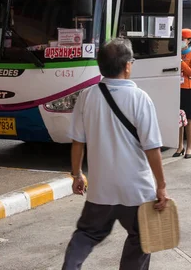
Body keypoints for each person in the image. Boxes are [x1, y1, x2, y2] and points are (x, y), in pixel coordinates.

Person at [62, 38, 169, 270]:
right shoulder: (140, 98)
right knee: (142, 237)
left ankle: (71, 266)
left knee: (87, 233)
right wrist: (161, 185)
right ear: (127, 65)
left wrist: (77, 174)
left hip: (101, 191)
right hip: (136, 192)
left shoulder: (87, 96)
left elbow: (77, 142)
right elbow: (152, 148)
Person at [175, 29, 191, 159]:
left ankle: (189, 147)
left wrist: (180, 61)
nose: (181, 42)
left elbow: (190, 72)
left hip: (188, 89)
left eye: (183, 39)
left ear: (189, 40)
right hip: (177, 88)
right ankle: (180, 146)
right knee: (179, 118)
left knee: (189, 119)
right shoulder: (175, 54)